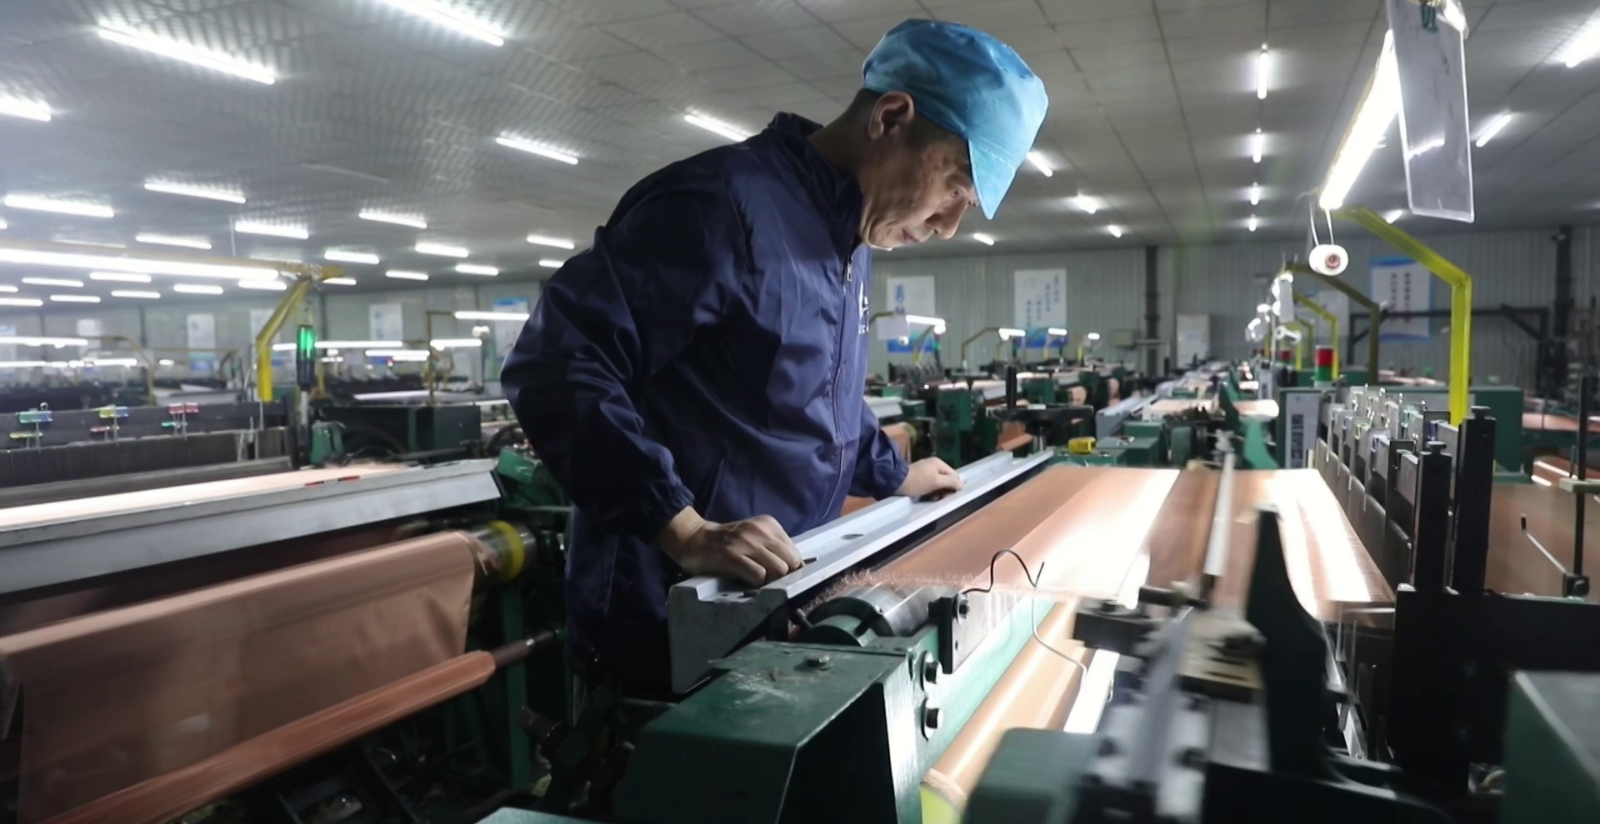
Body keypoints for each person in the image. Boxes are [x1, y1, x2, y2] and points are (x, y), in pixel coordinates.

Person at [502, 19, 1048, 687]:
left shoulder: (849, 240)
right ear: (890, 117)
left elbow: (812, 395)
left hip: (780, 598)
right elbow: (558, 363)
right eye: (954, 187)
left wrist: (893, 474)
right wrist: (683, 528)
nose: (949, 224)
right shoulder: (721, 205)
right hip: (667, 622)